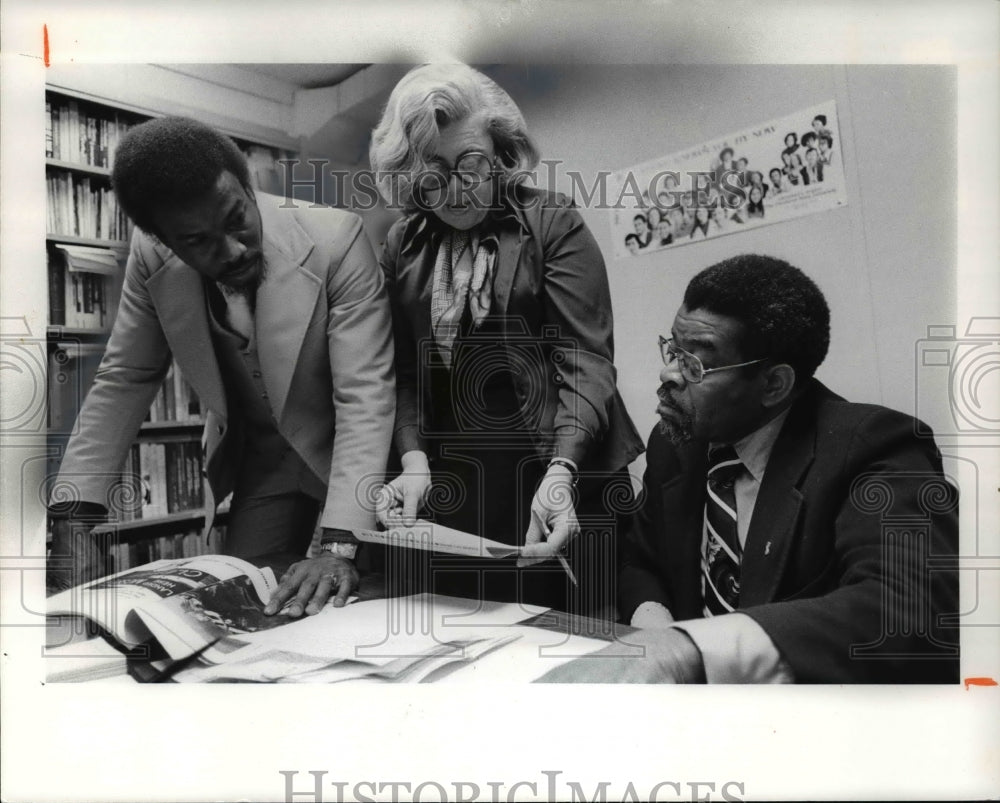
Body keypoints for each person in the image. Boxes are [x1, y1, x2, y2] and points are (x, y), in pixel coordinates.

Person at [538, 254, 958, 683]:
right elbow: (640, 563)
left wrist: (691, 649)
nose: (667, 374)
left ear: (775, 385)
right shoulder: (675, 442)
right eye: (672, 349)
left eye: (695, 364)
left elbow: (907, 608)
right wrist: (656, 629)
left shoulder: (878, 447)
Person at [47, 117, 396, 618]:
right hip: (264, 461)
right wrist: (72, 517)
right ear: (161, 238)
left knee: (356, 604)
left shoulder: (337, 238)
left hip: (353, 458)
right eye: (197, 241)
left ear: (248, 187)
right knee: (245, 607)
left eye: (237, 219)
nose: (231, 250)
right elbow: (126, 377)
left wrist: (338, 545)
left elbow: (365, 395)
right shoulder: (149, 258)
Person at [369, 63, 644, 614]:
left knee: (577, 635)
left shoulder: (552, 220)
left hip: (556, 462)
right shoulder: (403, 243)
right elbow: (400, 372)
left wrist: (563, 470)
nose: (455, 187)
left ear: (501, 152)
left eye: (470, 162)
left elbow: (583, 359)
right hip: (457, 481)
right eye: (432, 172)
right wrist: (413, 461)